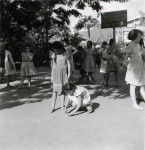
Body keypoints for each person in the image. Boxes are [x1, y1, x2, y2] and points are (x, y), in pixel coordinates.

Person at [124, 29, 145, 110]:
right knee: (133, 86)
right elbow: (125, 59)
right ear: (134, 37)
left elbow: (143, 57)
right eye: (139, 36)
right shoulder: (130, 45)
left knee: (142, 85)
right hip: (133, 70)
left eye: (140, 36)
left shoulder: (139, 45)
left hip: (141, 69)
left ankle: (141, 97)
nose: (140, 37)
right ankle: (134, 103)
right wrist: (126, 67)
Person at [51, 41, 71, 113]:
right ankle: (53, 106)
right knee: (54, 91)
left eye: (56, 49)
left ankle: (62, 106)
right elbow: (53, 65)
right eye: (54, 49)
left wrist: (69, 73)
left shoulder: (66, 54)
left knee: (62, 91)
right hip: (56, 74)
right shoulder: (54, 55)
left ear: (60, 48)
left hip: (63, 74)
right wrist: (52, 76)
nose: (55, 51)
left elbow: (68, 64)